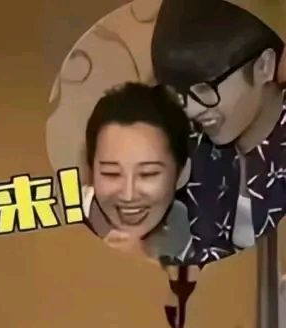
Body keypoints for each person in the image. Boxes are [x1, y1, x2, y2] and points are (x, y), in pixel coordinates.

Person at [151, 0, 286, 265]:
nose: (190, 109)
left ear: (264, 65)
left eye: (205, 88)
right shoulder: (186, 142)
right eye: (178, 91)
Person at [82, 82, 193, 263]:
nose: (129, 195)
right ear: (91, 172)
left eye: (148, 174)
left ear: (182, 174)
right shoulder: (59, 228)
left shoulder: (205, 238)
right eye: (111, 173)